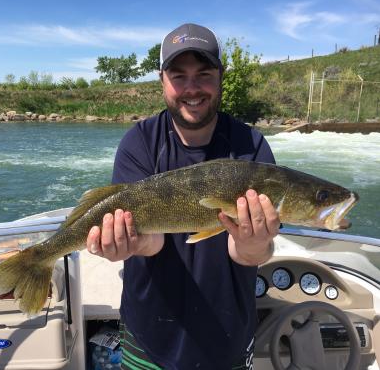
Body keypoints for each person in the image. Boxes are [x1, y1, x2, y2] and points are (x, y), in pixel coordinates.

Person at [85, 23, 280, 370]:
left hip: (228, 340)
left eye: (203, 74)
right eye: (179, 76)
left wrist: (255, 243)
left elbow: (248, 252)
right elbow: (153, 240)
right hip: (149, 338)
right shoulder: (140, 143)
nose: (192, 88)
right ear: (162, 80)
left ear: (221, 76)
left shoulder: (251, 147)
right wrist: (130, 243)